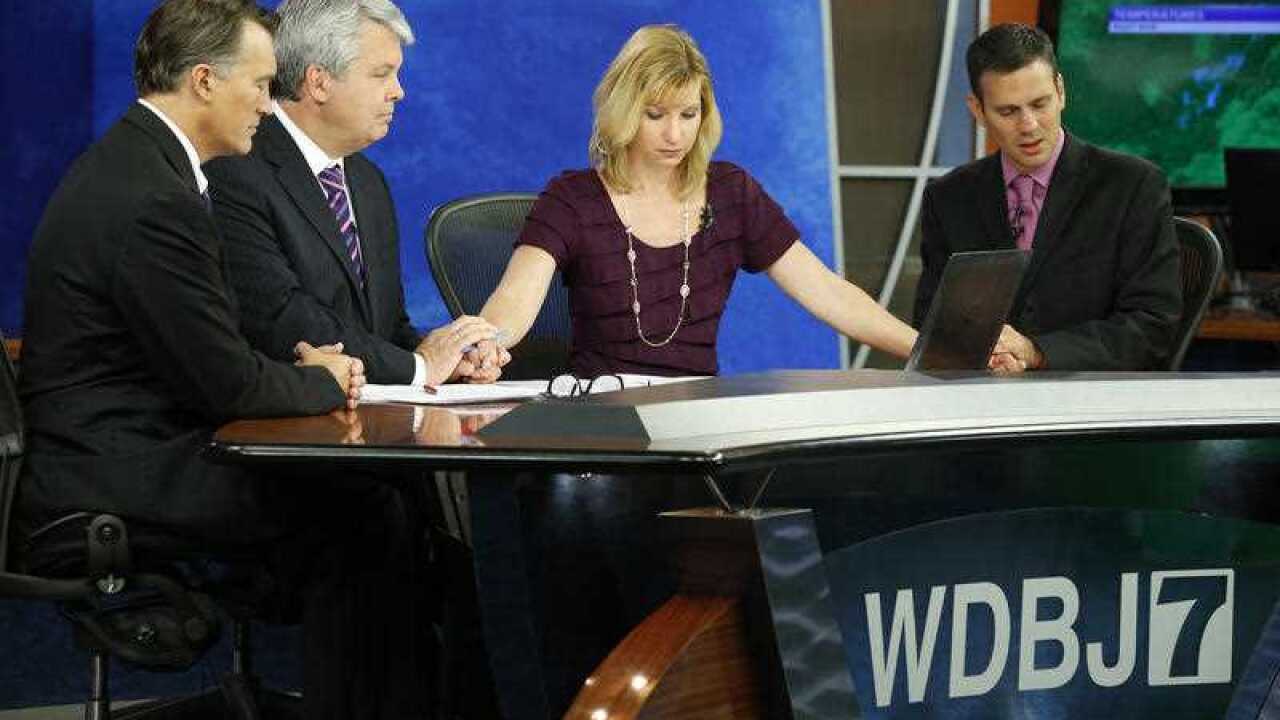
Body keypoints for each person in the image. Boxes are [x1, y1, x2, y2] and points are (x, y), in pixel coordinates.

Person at [16, 1, 425, 716]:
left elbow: (214, 357)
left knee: (369, 502)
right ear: (205, 80)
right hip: (111, 474)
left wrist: (292, 374)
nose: (270, 106)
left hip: (119, 453)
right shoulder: (153, 199)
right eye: (263, 85)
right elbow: (228, 382)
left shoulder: (137, 166)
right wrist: (320, 377)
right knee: (362, 512)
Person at [479, 24, 917, 377]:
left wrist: (928, 350)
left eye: (689, 114)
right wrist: (486, 345)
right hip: (601, 422)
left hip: (698, 420)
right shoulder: (572, 197)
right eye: (656, 115)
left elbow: (828, 293)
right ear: (623, 110)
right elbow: (515, 299)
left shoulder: (732, 192)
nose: (675, 135)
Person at [206, 0, 505, 387]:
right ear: (318, 82)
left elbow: (386, 328)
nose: (398, 92)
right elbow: (279, 320)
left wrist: (448, 360)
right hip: (281, 424)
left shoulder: (368, 181)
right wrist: (417, 368)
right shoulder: (237, 167)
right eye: (382, 74)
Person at [914, 23, 1181, 372]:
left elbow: (1152, 328)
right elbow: (932, 325)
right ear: (978, 111)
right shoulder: (949, 198)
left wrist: (1036, 351)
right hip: (984, 401)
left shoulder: (1132, 185)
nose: (1029, 126)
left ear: (1061, 91)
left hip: (1094, 401)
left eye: (1040, 104)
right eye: (1008, 112)